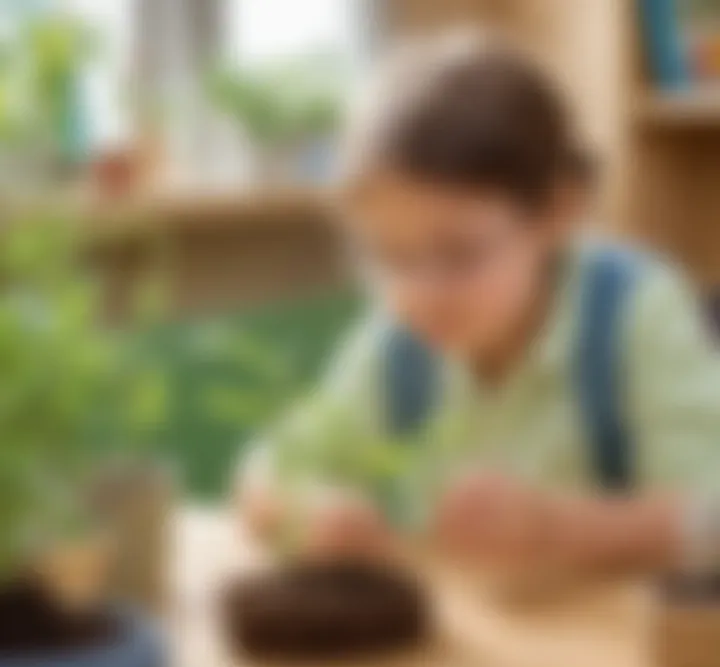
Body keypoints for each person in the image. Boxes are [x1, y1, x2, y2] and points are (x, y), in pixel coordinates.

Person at [235, 33, 720, 583]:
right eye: (390, 257)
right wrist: (309, 510)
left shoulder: (636, 310)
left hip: (622, 654)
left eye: (459, 253)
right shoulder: (397, 344)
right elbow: (265, 469)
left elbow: (711, 518)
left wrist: (559, 528)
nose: (420, 293)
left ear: (559, 211)